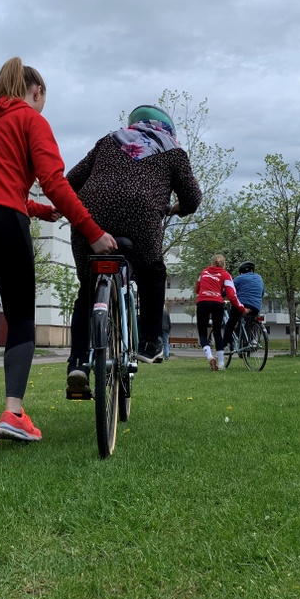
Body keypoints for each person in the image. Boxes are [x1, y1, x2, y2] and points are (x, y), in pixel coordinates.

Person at [0, 57, 116, 453]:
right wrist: (93, 233)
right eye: (43, 100)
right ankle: (13, 414)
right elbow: (52, 180)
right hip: (1, 221)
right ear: (36, 92)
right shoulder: (31, 120)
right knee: (20, 318)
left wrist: (37, 210)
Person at [65, 104, 201, 397]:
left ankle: (77, 362)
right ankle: (150, 342)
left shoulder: (108, 140)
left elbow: (69, 182)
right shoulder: (172, 148)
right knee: (152, 273)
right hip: (142, 222)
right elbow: (192, 198)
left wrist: (94, 200)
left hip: (91, 223)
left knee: (87, 292)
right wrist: (175, 209)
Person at [195, 254, 248, 371]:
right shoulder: (225, 275)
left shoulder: (204, 272)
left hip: (203, 302)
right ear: (223, 264)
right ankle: (221, 364)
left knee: (203, 332)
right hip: (217, 303)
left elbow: (197, 288)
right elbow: (231, 295)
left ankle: (209, 357)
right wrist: (241, 308)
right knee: (217, 332)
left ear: (212, 262)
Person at [223, 261, 265, 355]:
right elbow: (262, 293)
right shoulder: (259, 278)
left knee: (231, 322)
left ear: (241, 271)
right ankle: (253, 339)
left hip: (242, 305)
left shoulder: (239, 278)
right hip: (256, 306)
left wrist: (219, 295)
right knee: (251, 320)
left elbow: (228, 291)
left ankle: (225, 346)